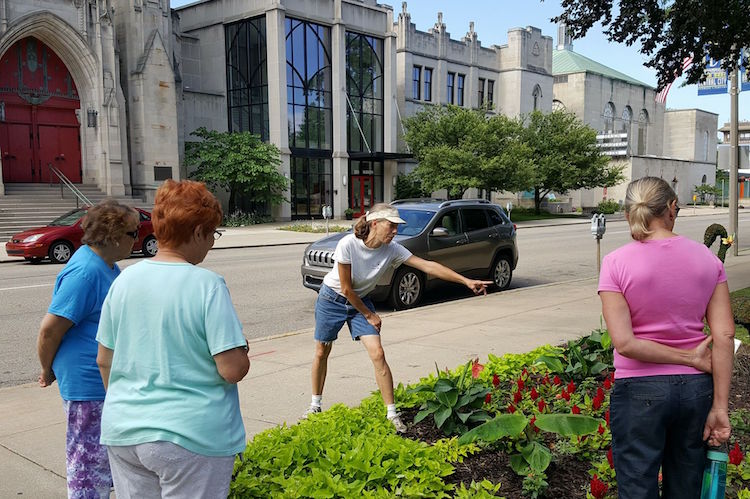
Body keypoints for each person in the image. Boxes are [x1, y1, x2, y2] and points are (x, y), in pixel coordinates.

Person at [96, 180, 250, 498]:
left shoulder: (123, 281)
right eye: (212, 234)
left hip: (124, 431)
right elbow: (231, 369)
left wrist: (133, 404)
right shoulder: (207, 285)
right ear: (197, 233)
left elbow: (104, 360)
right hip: (190, 436)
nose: (211, 243)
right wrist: (243, 349)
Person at [598, 177, 735, 499]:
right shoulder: (707, 259)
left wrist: (686, 357)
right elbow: (725, 335)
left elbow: (625, 343)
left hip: (638, 392)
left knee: (637, 487)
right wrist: (719, 406)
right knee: (687, 487)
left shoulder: (615, 263)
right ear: (672, 208)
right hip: (696, 391)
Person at [305, 203, 492, 432]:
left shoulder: (392, 249)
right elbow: (346, 289)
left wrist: (466, 281)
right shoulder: (348, 244)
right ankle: (315, 405)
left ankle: (391, 413)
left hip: (360, 301)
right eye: (391, 226)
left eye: (396, 227)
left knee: (378, 353)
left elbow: (427, 266)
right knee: (322, 351)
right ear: (375, 223)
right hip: (332, 300)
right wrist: (370, 315)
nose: (395, 232)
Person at [36, 199, 140, 498]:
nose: (138, 237)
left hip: (102, 379)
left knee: (104, 462)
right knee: (87, 468)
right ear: (112, 235)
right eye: (133, 232)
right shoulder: (84, 273)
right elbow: (49, 330)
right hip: (87, 383)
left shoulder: (106, 265)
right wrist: (47, 369)